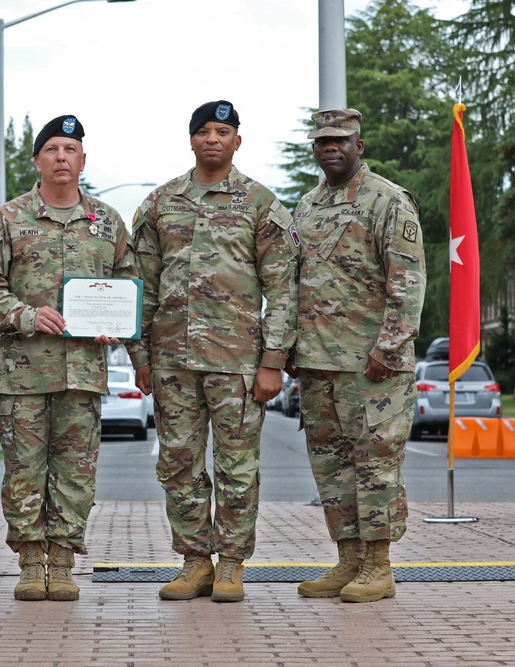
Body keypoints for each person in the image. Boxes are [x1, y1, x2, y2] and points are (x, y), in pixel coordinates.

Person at [128, 100, 298, 603]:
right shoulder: (161, 203)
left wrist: (272, 362)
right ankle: (194, 562)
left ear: (237, 141)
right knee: (179, 464)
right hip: (173, 363)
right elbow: (143, 288)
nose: (212, 139)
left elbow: (283, 287)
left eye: (222, 131)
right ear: (191, 140)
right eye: (203, 131)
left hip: (237, 365)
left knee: (236, 466)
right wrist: (141, 358)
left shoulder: (260, 204)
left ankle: (231, 565)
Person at [0, 114, 135, 602]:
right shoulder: (8, 218)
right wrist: (24, 315)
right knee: (23, 469)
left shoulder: (107, 221)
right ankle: (29, 561)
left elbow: (129, 287)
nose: (61, 157)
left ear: (83, 159)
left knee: (77, 472)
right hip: (25, 373)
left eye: (70, 149)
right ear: (37, 159)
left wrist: (119, 328)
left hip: (83, 373)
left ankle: (62, 561)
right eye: (52, 150)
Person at [288, 108, 426, 603]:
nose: (331, 147)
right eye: (322, 141)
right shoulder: (305, 206)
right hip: (318, 363)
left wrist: (388, 348)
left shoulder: (387, 199)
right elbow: (293, 282)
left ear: (358, 146)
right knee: (331, 467)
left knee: (375, 465)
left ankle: (378, 566)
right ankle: (348, 559)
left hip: (372, 366)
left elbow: (407, 282)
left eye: (340, 140)